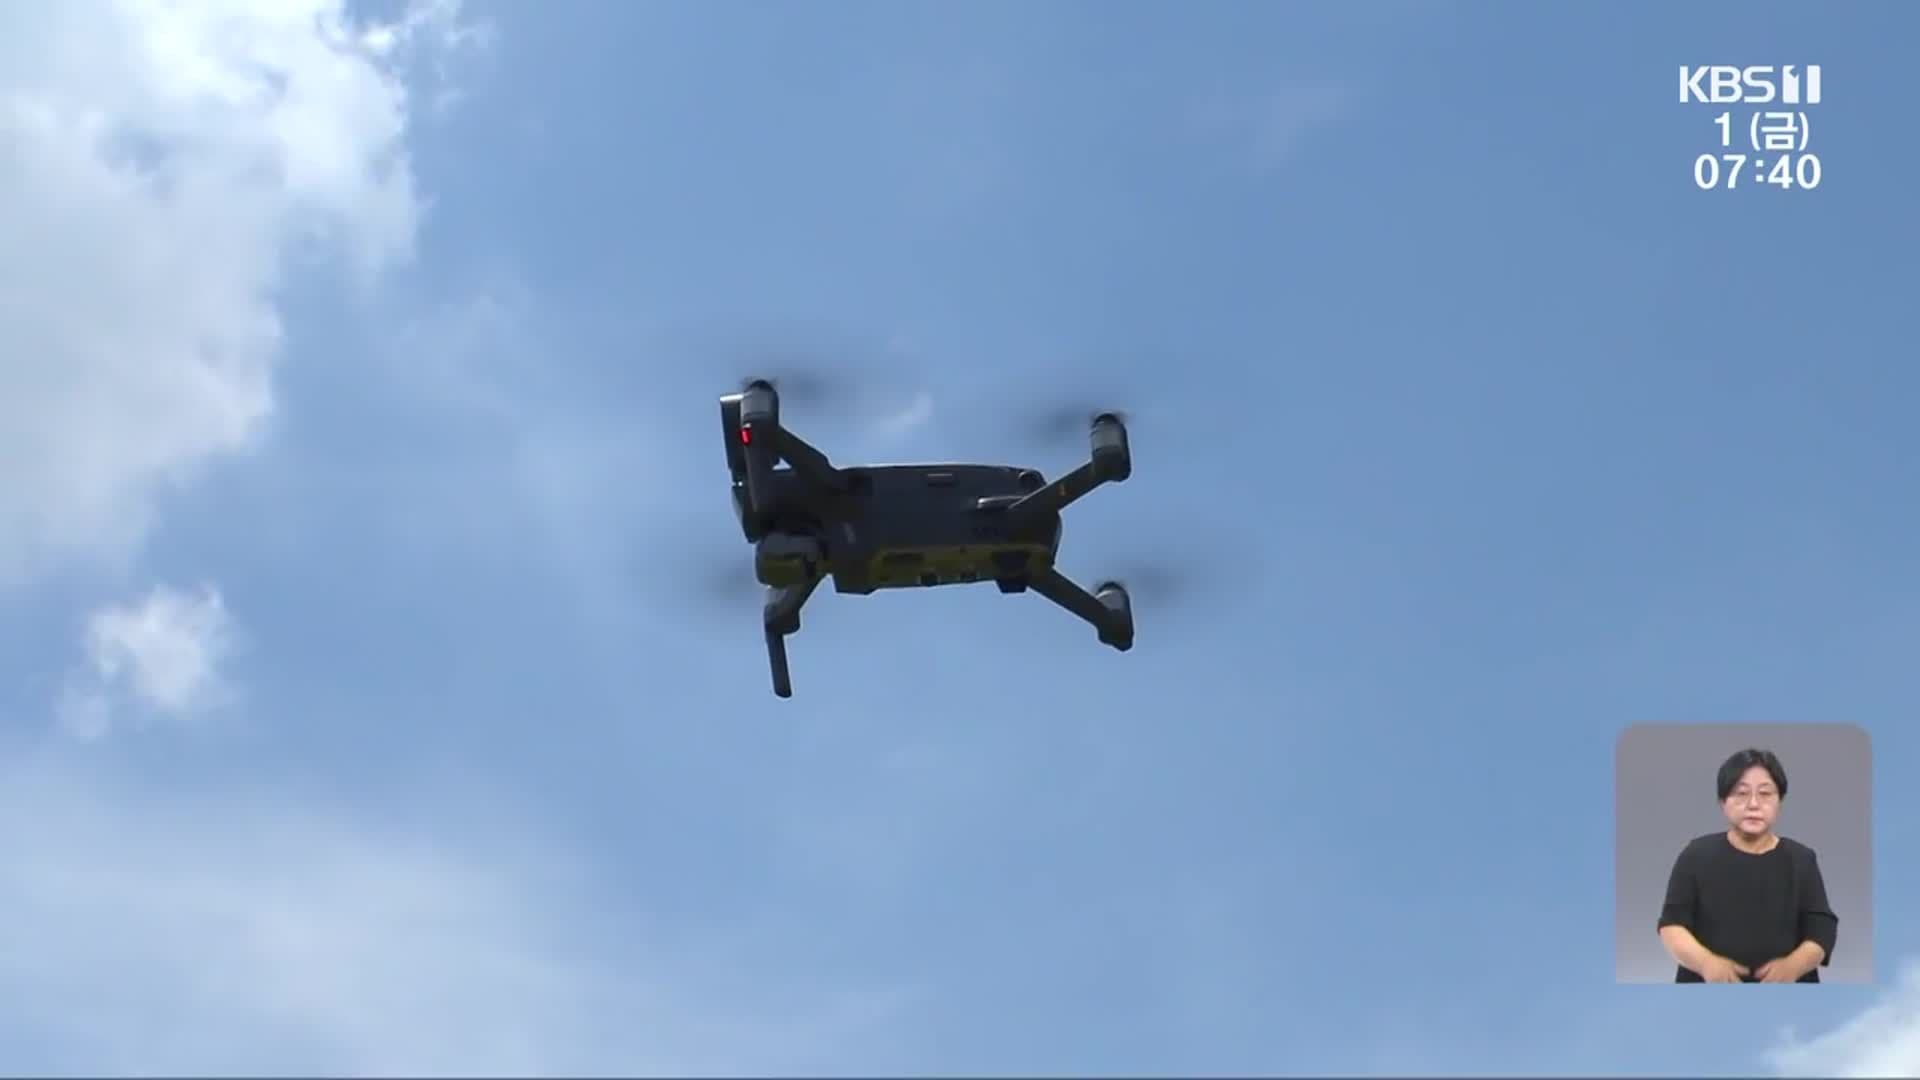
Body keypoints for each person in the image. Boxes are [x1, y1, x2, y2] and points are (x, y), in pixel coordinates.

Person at [1656, 748, 1838, 983]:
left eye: (1765, 794)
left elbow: (1821, 930)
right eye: (1741, 794)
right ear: (1723, 802)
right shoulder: (1696, 855)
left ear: (1779, 801)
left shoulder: (1801, 859)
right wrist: (1706, 963)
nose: (1753, 804)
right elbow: (1672, 925)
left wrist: (1793, 966)